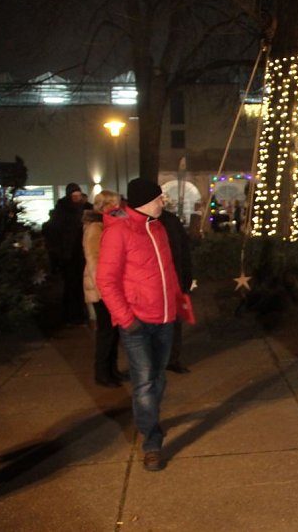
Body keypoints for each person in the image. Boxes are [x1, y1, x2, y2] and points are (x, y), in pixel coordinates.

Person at [96, 178, 182, 472]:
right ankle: (152, 441)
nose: (163, 203)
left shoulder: (158, 228)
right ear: (146, 201)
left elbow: (167, 272)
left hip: (165, 318)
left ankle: (150, 420)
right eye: (159, 198)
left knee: (157, 377)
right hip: (136, 322)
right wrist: (126, 319)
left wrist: (177, 303)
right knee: (144, 382)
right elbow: (106, 281)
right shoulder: (119, 232)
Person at [83, 190, 127, 388]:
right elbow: (94, 259)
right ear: (103, 206)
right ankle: (102, 372)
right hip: (101, 289)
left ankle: (112, 369)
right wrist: (104, 290)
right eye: (112, 204)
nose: (116, 207)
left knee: (114, 331)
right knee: (106, 332)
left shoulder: (108, 224)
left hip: (110, 287)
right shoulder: (96, 227)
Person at [159, 208, 193, 374]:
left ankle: (172, 358)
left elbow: (183, 249)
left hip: (174, 279)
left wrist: (186, 278)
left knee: (174, 321)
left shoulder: (170, 220)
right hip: (152, 284)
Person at [51, 182, 88, 324]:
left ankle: (79, 312)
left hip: (80, 253)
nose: (77, 198)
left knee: (79, 285)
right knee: (70, 285)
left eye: (79, 195)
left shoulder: (83, 209)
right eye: (75, 196)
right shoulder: (62, 210)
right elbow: (57, 233)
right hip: (69, 254)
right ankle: (70, 314)